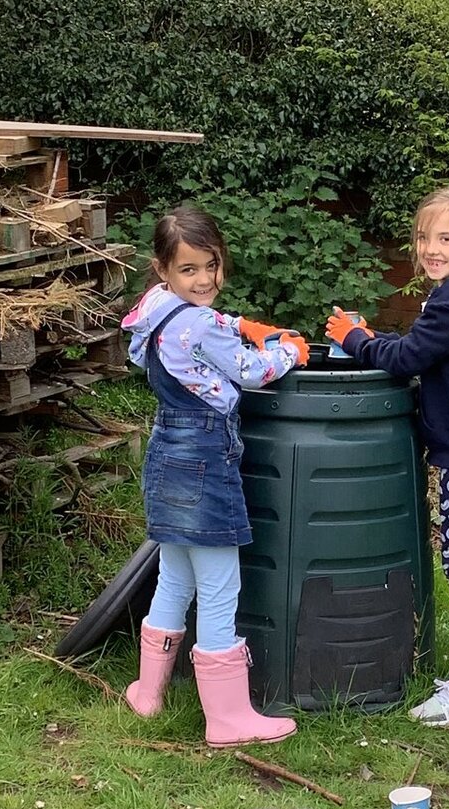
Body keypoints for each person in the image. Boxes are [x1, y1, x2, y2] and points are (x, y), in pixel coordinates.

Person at [325, 186, 449, 727]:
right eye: (423, 237)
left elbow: (408, 358)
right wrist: (373, 335)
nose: (431, 248)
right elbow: (426, 346)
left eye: (445, 238)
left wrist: (354, 340)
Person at [121, 205, 309, 748]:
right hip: (206, 457)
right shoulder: (200, 323)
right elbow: (250, 371)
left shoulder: (155, 307)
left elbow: (197, 329)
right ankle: (227, 718)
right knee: (221, 585)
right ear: (163, 268)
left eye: (212, 265)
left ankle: (149, 693)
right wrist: (287, 351)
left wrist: (240, 325)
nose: (204, 279)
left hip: (166, 452)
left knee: (175, 577)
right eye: (189, 270)